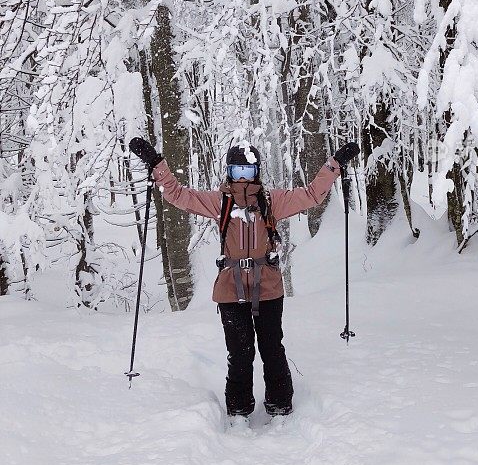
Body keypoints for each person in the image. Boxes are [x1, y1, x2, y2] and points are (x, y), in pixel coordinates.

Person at [129, 136, 359, 423]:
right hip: (230, 288)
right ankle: (239, 408)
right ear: (229, 172)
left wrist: (334, 164)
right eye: (237, 172)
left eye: (248, 172)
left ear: (257, 172)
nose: (242, 178)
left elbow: (312, 194)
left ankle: (279, 403)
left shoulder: (272, 201)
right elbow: (178, 194)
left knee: (272, 347)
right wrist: (156, 163)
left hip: (268, 286)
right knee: (239, 352)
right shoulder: (220, 203)